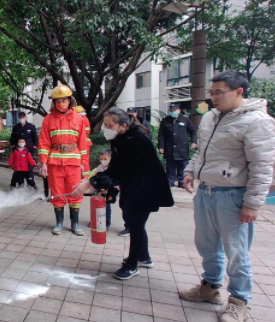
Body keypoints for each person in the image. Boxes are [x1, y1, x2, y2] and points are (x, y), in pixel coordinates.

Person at [178, 71, 275, 322]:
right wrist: (190, 171)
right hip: (206, 191)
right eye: (211, 93)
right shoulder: (211, 117)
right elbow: (201, 151)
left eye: (218, 92)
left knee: (236, 251)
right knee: (206, 245)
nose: (214, 98)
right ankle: (210, 288)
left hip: (233, 195)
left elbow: (263, 166)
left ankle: (239, 300)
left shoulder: (257, 121)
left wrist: (253, 204)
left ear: (239, 92)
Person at [73, 108, 174, 280]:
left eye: (109, 125)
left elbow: (117, 170)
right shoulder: (121, 139)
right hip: (133, 185)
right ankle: (144, 257)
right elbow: (114, 169)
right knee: (134, 221)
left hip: (146, 188)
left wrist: (88, 184)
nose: (105, 128)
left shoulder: (136, 141)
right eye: (104, 125)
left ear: (123, 126)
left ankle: (132, 265)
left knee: (135, 224)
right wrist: (107, 189)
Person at [39, 85, 88, 236]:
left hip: (73, 163)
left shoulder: (78, 119)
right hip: (54, 164)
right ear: (54, 102)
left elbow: (83, 145)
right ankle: (59, 223)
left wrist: (84, 167)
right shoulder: (48, 119)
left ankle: (75, 224)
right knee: (57, 193)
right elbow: (44, 143)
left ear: (70, 100)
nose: (61, 103)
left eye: (64, 100)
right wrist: (43, 163)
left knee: (75, 193)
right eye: (58, 101)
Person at [158, 103, 197, 188]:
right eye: (172, 110)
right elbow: (161, 135)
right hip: (169, 148)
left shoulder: (185, 120)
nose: (173, 112)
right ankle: (170, 181)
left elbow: (193, 131)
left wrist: (194, 141)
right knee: (170, 167)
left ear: (179, 110)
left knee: (182, 166)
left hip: (182, 148)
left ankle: (181, 182)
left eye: (175, 110)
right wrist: (161, 146)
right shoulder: (165, 121)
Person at [87, 149, 119, 230]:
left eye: (105, 159)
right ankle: (94, 220)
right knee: (96, 205)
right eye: (101, 159)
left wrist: (110, 191)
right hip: (98, 191)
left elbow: (115, 182)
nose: (103, 161)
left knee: (107, 206)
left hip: (108, 191)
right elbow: (94, 177)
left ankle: (107, 222)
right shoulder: (99, 168)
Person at [10, 112, 39, 190]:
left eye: (23, 117)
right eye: (20, 117)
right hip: (18, 151)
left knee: (29, 169)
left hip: (29, 151)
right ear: (18, 118)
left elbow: (35, 139)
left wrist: (34, 148)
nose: (21, 119)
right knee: (19, 168)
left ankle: (30, 184)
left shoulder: (31, 127)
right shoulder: (16, 127)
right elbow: (12, 138)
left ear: (25, 117)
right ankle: (21, 184)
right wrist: (13, 148)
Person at [73, 105, 93, 178]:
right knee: (84, 160)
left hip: (83, 143)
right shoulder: (85, 119)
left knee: (83, 160)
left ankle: (85, 177)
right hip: (85, 142)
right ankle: (85, 176)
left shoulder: (80, 119)